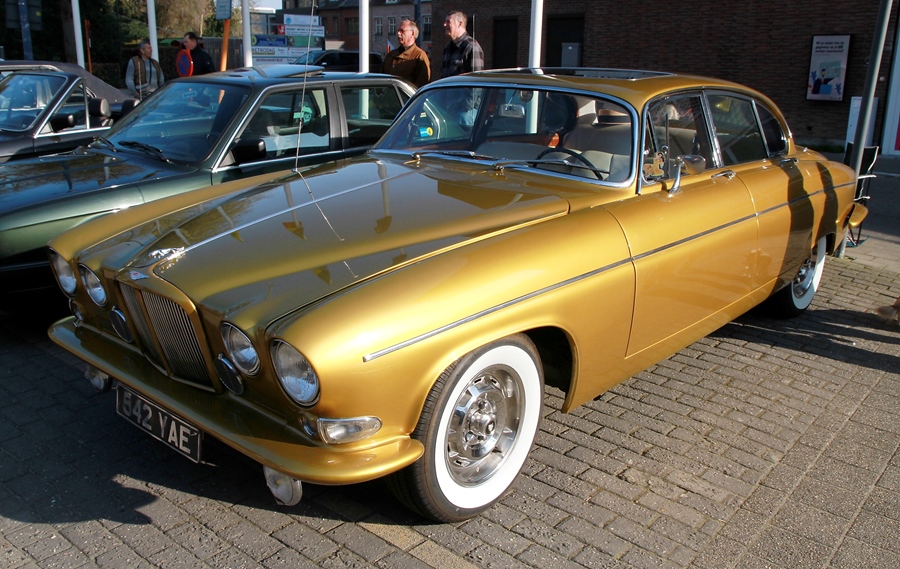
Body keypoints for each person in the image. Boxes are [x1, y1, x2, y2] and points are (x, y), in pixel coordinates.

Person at [382, 19, 431, 88]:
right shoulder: (391, 55)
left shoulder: (419, 56)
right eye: (398, 31)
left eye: (402, 31)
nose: (399, 34)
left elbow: (422, 84)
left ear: (412, 33)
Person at [441, 11, 484, 78]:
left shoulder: (471, 47)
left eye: (448, 22)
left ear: (460, 24)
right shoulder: (447, 48)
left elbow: (476, 79)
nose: (444, 24)